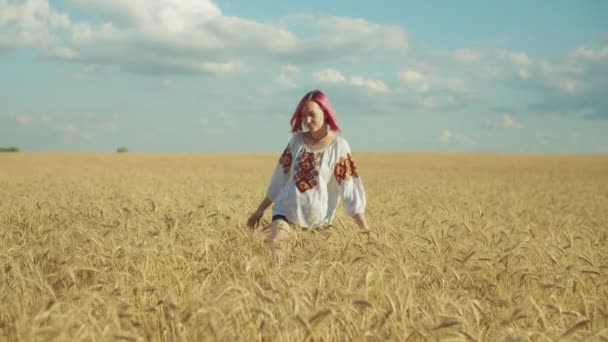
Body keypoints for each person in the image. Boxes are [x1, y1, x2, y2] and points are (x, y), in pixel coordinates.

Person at [246, 90, 377, 262]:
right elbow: (279, 178)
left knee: (308, 270)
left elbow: (349, 190)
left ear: (326, 113)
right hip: (285, 212)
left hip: (319, 223)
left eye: (312, 114)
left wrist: (366, 230)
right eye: (303, 115)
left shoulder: (339, 147)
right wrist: (260, 210)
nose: (307, 120)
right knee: (276, 253)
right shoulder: (296, 141)